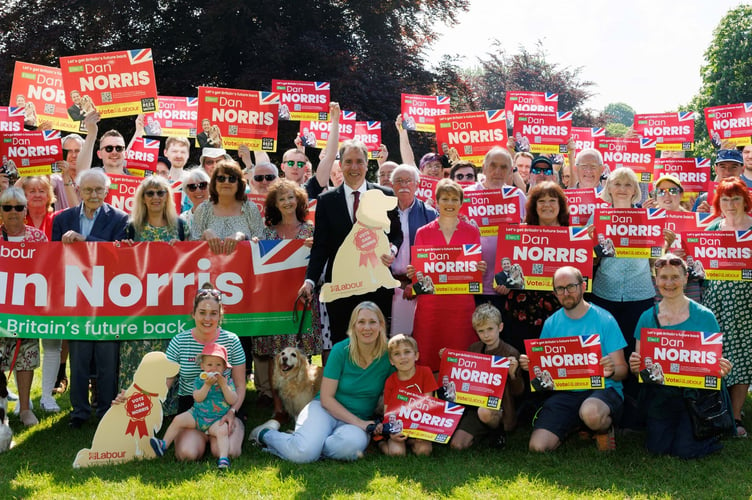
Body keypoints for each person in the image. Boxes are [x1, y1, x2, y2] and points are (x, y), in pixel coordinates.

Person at [249, 302, 393, 463]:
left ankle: (308, 444)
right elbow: (326, 399)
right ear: (353, 326)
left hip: (357, 417)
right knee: (302, 454)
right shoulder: (340, 350)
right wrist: (362, 424)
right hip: (324, 410)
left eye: (373, 322)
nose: (367, 327)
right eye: (361, 322)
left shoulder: (389, 355)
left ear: (381, 325)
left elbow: (399, 388)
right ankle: (265, 434)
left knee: (351, 448)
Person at [297, 140, 402, 361]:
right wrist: (309, 280)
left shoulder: (384, 194)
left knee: (376, 343)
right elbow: (320, 246)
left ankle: (376, 392)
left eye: (359, 162)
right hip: (341, 286)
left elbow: (396, 234)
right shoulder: (326, 201)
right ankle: (343, 391)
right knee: (343, 344)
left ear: (367, 164)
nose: (354, 167)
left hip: (376, 285)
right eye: (348, 162)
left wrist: (392, 250)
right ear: (341, 165)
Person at [629, 254, 733, 458]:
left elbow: (713, 368)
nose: (669, 283)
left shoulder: (705, 316)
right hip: (662, 395)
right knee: (657, 449)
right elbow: (641, 371)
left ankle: (705, 431)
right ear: (656, 279)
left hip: (695, 395)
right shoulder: (646, 317)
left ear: (686, 278)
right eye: (663, 277)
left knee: (685, 451)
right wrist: (636, 367)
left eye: (675, 277)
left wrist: (720, 371)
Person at [519, 266, 628, 452]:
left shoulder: (605, 319)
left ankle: (602, 427)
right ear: (554, 292)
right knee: (537, 447)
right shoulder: (551, 323)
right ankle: (577, 425)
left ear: (583, 286)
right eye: (560, 289)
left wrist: (612, 369)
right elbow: (545, 373)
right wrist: (532, 366)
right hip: (566, 392)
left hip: (603, 389)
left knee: (591, 413)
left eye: (571, 286)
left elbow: (623, 370)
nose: (566, 293)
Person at [52, 169, 128, 428]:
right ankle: (80, 413)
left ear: (107, 191)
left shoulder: (120, 218)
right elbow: (53, 260)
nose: (93, 195)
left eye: (98, 190)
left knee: (108, 361)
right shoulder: (62, 219)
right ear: (78, 190)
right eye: (88, 190)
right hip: (77, 299)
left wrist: (86, 241)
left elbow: (119, 255)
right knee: (79, 358)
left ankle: (107, 411)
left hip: (108, 299)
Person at [590, 168, 665, 409]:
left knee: (636, 352)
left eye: (627, 184)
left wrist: (665, 245)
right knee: (606, 348)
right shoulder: (597, 217)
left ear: (635, 190)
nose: (622, 188)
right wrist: (591, 245)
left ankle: (635, 407)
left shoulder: (648, 218)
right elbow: (590, 262)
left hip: (640, 292)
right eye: (617, 183)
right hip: (605, 291)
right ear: (608, 188)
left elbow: (655, 262)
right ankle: (606, 400)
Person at [252, 179, 320, 419]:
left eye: (291, 197)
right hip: (275, 302)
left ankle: (302, 403)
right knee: (275, 353)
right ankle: (279, 409)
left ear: (299, 200)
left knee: (302, 355)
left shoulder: (311, 230)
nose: (287, 202)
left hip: (304, 301)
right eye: (281, 199)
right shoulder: (268, 233)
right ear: (275, 205)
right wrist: (256, 246)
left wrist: (317, 247)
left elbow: (322, 263)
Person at [407, 179, 486, 371]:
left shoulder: (472, 231)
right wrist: (413, 272)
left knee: (461, 360)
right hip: (431, 306)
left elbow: (474, 270)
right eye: (445, 199)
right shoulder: (423, 232)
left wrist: (480, 268)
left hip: (461, 306)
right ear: (436, 201)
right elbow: (420, 270)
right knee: (428, 357)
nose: (449, 204)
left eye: (454, 199)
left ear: (461, 203)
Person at [119, 176, 187, 396]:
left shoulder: (181, 226)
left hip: (171, 302)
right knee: (137, 354)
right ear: (143, 198)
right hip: (139, 305)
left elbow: (193, 261)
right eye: (150, 193)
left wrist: (183, 249)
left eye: (161, 192)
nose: (156, 197)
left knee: (168, 354)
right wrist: (125, 248)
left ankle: (165, 406)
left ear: (168, 196)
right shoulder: (132, 227)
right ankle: (134, 402)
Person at [164, 285, 246, 460]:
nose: (207, 318)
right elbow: (163, 385)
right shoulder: (179, 341)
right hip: (193, 410)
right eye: (202, 312)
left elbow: (240, 385)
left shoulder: (232, 341)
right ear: (193, 314)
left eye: (213, 313)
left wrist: (232, 412)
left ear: (220, 315)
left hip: (224, 408)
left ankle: (226, 434)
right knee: (187, 454)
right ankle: (200, 437)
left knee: (229, 453)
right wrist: (134, 397)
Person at [702, 177, 752, 438]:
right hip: (715, 301)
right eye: (725, 199)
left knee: (743, 354)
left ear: (745, 200)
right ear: (718, 202)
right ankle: (716, 409)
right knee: (717, 353)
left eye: (735, 198)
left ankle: (736, 414)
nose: (730, 204)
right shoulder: (711, 229)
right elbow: (697, 266)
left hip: (746, 302)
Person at [497, 182, 567, 356]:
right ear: (534, 206)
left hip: (558, 314)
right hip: (521, 313)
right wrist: (503, 285)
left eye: (552, 200)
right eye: (541, 201)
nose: (547, 205)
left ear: (560, 205)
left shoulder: (574, 237)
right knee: (524, 364)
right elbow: (506, 271)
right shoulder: (518, 234)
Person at [0, 187, 46, 425]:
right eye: (7, 207)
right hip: (1, 311)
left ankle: (26, 408)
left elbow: (48, 272)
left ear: (25, 211)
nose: (13, 212)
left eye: (18, 207)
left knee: (26, 359)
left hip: (27, 311)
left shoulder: (38, 238)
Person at [151, 343, 238, 469]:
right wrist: (207, 385)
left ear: (225, 367)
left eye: (218, 365)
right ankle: (163, 444)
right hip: (197, 415)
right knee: (178, 419)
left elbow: (232, 400)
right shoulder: (199, 380)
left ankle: (223, 458)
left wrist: (224, 386)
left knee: (223, 431)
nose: (214, 368)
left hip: (217, 419)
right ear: (202, 366)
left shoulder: (227, 382)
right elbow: (198, 397)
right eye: (209, 365)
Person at [450, 304, 523, 450]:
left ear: (500, 327)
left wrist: (513, 375)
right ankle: (484, 432)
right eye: (481, 331)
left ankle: (498, 433)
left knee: (485, 411)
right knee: (457, 445)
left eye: (490, 329)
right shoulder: (474, 349)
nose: (486, 335)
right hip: (475, 407)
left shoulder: (511, 353)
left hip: (500, 409)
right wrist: (449, 360)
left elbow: (519, 392)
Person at [389, 164, 438, 336]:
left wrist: (416, 283)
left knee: (415, 339)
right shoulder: (381, 213)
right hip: (388, 286)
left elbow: (435, 254)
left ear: (417, 184)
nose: (403, 185)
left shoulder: (430, 215)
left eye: (408, 181)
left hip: (416, 288)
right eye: (398, 181)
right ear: (391, 185)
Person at [380, 334, 438, 456]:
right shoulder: (390, 381)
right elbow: (388, 413)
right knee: (397, 453)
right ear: (391, 361)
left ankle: (412, 443)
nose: (403, 357)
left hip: (419, 425)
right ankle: (380, 442)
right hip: (398, 427)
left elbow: (429, 405)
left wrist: (422, 431)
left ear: (416, 355)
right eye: (397, 354)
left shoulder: (425, 372)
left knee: (424, 451)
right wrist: (392, 433)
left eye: (407, 352)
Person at [190, 159, 264, 254]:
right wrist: (205, 234)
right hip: (209, 266)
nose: (226, 182)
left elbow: (261, 245)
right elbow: (192, 249)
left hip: (243, 266)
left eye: (232, 179)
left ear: (239, 183)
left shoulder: (250, 208)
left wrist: (244, 237)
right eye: (221, 178)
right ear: (214, 182)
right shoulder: (203, 209)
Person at [16, 176, 55, 240]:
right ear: (24, 196)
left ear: (48, 196)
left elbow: (76, 212)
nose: (37, 195)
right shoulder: (18, 221)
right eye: (32, 191)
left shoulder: (58, 218)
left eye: (41, 191)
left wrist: (66, 176)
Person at [51, 134, 84, 210]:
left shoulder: (91, 178)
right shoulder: (57, 178)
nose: (73, 155)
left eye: (77, 151)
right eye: (69, 151)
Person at [179, 168, 211, 233]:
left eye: (202, 185)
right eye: (192, 187)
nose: (198, 190)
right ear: (187, 192)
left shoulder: (222, 215)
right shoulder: (183, 219)